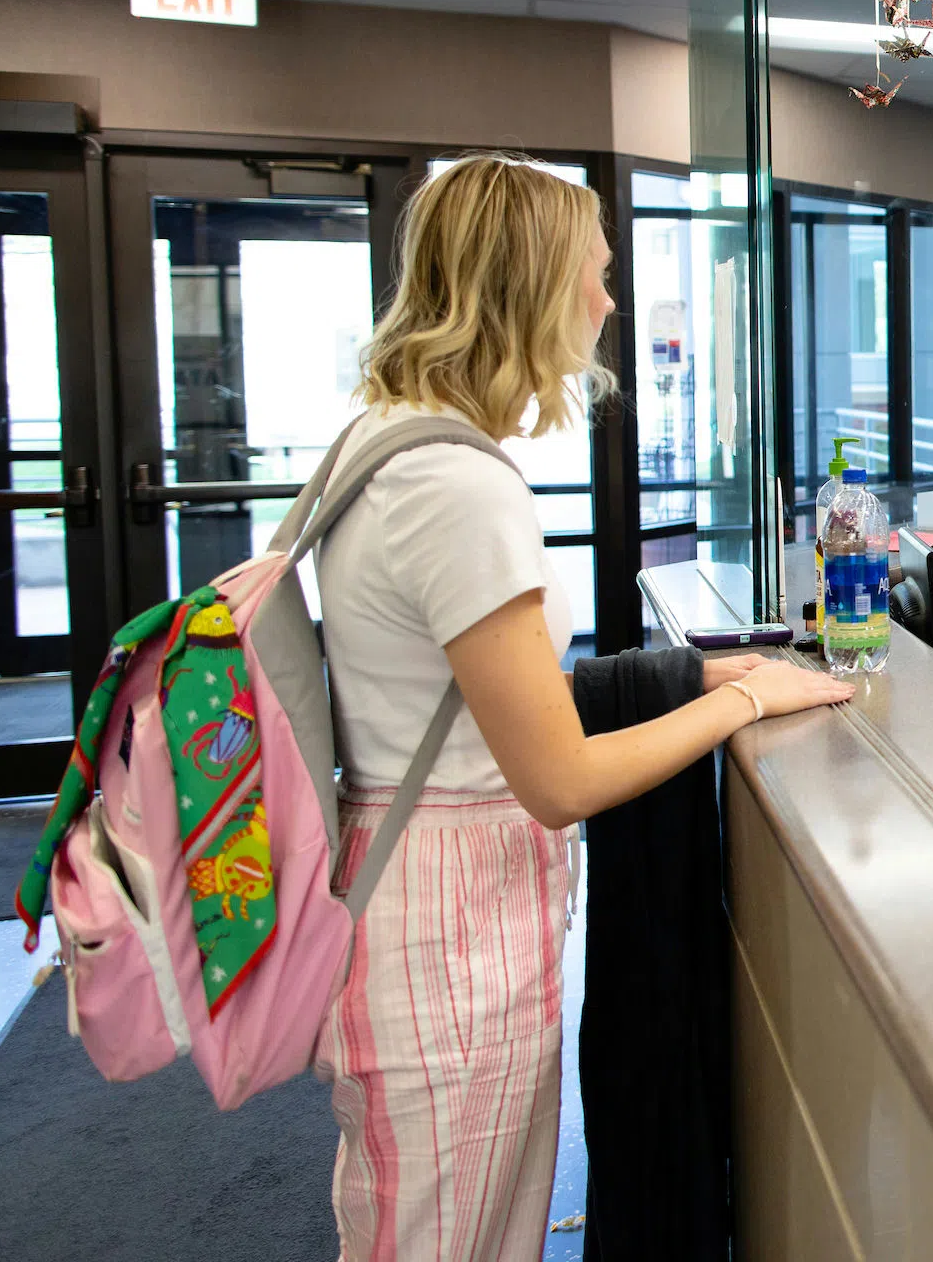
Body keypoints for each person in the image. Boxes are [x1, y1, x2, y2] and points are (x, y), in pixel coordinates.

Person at [312, 154, 851, 1260]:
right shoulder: (457, 485)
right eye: (595, 275)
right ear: (526, 285)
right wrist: (746, 692)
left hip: (411, 888)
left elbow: (474, 696)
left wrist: (691, 676)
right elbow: (558, 780)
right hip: (448, 931)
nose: (609, 303)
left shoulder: (385, 436)